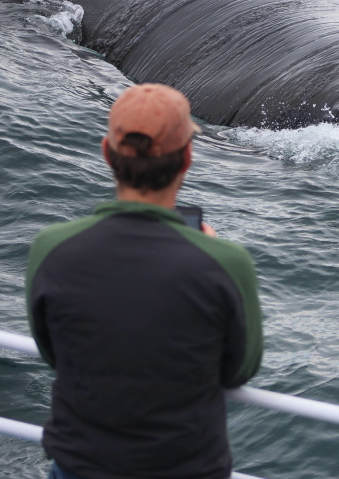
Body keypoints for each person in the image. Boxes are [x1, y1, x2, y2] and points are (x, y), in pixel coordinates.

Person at [25, 83, 264, 479]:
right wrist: (209, 252)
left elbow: (54, 353)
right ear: (187, 157)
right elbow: (240, 369)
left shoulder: (50, 248)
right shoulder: (225, 260)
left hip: (80, 467)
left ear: (107, 153)